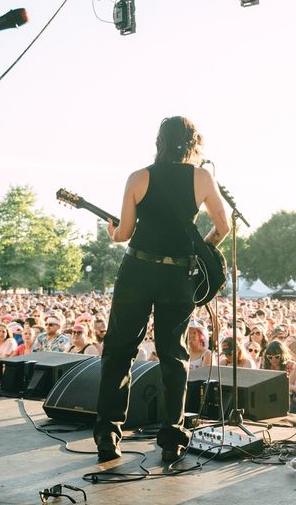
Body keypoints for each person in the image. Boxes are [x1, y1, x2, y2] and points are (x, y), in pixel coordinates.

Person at [94, 116, 229, 464]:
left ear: (160, 142)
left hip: (137, 269)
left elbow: (124, 233)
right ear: (193, 142)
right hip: (177, 275)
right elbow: (222, 226)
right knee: (174, 355)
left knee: (120, 351)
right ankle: (172, 439)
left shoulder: (139, 177)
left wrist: (112, 233)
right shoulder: (201, 177)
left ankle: (109, 435)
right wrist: (204, 249)